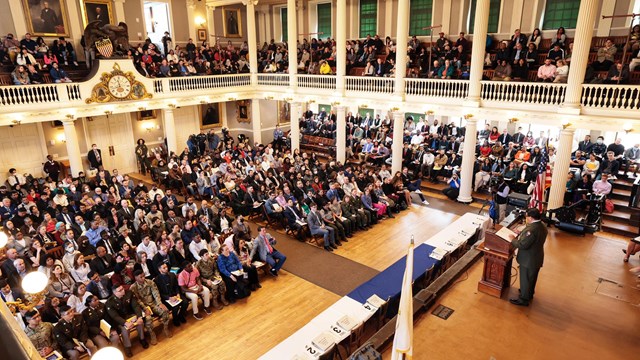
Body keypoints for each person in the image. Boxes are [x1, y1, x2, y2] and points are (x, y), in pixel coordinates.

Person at [509, 208, 548, 307]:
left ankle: (523, 299)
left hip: (528, 259)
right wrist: (521, 233)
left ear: (530, 218)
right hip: (536, 257)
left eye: (527, 217)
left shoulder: (532, 230)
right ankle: (529, 294)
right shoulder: (542, 226)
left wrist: (513, 239)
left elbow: (522, 245)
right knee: (532, 278)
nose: (526, 218)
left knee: (525, 279)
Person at [105, 285, 148, 356]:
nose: (123, 291)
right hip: (120, 319)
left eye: (123, 288)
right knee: (125, 330)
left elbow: (135, 306)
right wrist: (125, 323)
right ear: (115, 293)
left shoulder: (129, 293)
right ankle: (127, 346)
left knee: (140, 323)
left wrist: (139, 317)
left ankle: (142, 339)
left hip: (130, 315)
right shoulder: (110, 302)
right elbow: (115, 316)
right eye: (120, 290)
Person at [129, 269, 172, 341]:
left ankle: (165, 328)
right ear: (136, 278)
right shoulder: (133, 288)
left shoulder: (150, 282)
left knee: (165, 310)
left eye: (143, 276)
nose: (143, 278)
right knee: (148, 319)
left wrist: (159, 303)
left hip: (153, 303)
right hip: (142, 308)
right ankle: (152, 334)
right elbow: (137, 300)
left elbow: (156, 293)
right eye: (141, 277)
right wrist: (145, 308)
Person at [154, 263, 189, 327]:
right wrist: (169, 298)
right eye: (164, 268)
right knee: (175, 307)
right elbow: (159, 293)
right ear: (159, 270)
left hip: (175, 294)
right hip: (166, 298)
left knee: (185, 302)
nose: (166, 268)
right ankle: (175, 319)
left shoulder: (172, 275)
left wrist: (178, 293)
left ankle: (180, 315)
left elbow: (176, 286)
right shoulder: (157, 280)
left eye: (166, 267)